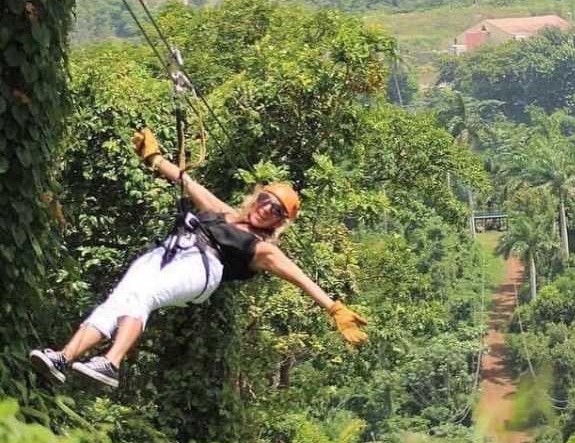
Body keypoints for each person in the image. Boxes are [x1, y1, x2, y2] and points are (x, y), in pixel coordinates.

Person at [29, 128, 368, 389]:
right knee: (117, 301)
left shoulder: (264, 248)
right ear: (257, 198)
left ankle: (112, 363)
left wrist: (333, 308)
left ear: (280, 222)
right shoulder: (225, 213)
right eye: (266, 200)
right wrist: (154, 158)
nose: (267, 209)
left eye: (276, 210)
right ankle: (64, 358)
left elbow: (299, 276)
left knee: (144, 296)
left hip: (203, 268)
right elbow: (188, 183)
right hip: (167, 253)